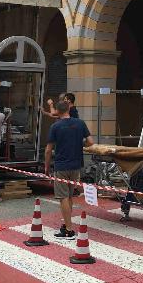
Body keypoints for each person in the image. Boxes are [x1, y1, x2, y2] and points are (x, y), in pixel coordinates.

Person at [44, 99, 93, 238]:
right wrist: (80, 144)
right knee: (70, 196)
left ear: (57, 111)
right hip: (76, 165)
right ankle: (67, 224)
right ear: (69, 109)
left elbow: (48, 150)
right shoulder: (80, 123)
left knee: (63, 197)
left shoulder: (55, 126)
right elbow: (90, 142)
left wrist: (46, 167)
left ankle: (69, 229)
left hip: (61, 166)